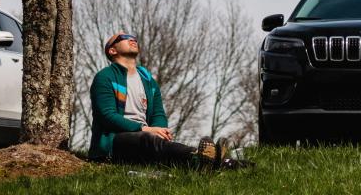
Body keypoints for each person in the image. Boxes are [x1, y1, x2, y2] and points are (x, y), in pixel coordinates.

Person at [88, 31, 246, 169]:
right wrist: (146, 130)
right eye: (124, 37)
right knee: (149, 140)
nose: (132, 39)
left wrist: (160, 131)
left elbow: (158, 113)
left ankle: (222, 162)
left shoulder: (147, 79)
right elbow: (107, 116)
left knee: (161, 144)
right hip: (114, 143)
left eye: (133, 37)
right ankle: (201, 159)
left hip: (144, 139)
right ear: (112, 50)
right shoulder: (105, 77)